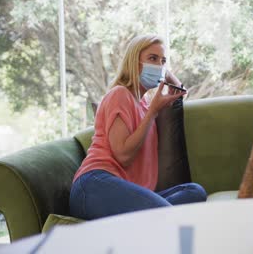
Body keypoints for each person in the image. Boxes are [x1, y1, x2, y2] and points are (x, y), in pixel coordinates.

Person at [69, 34, 207, 220]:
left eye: (162, 61)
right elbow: (122, 155)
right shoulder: (120, 94)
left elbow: (181, 92)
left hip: (125, 190)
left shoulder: (144, 104)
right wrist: (153, 113)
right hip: (95, 185)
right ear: (134, 62)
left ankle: (144, 217)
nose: (158, 65)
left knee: (195, 192)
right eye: (152, 59)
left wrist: (163, 70)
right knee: (167, 217)